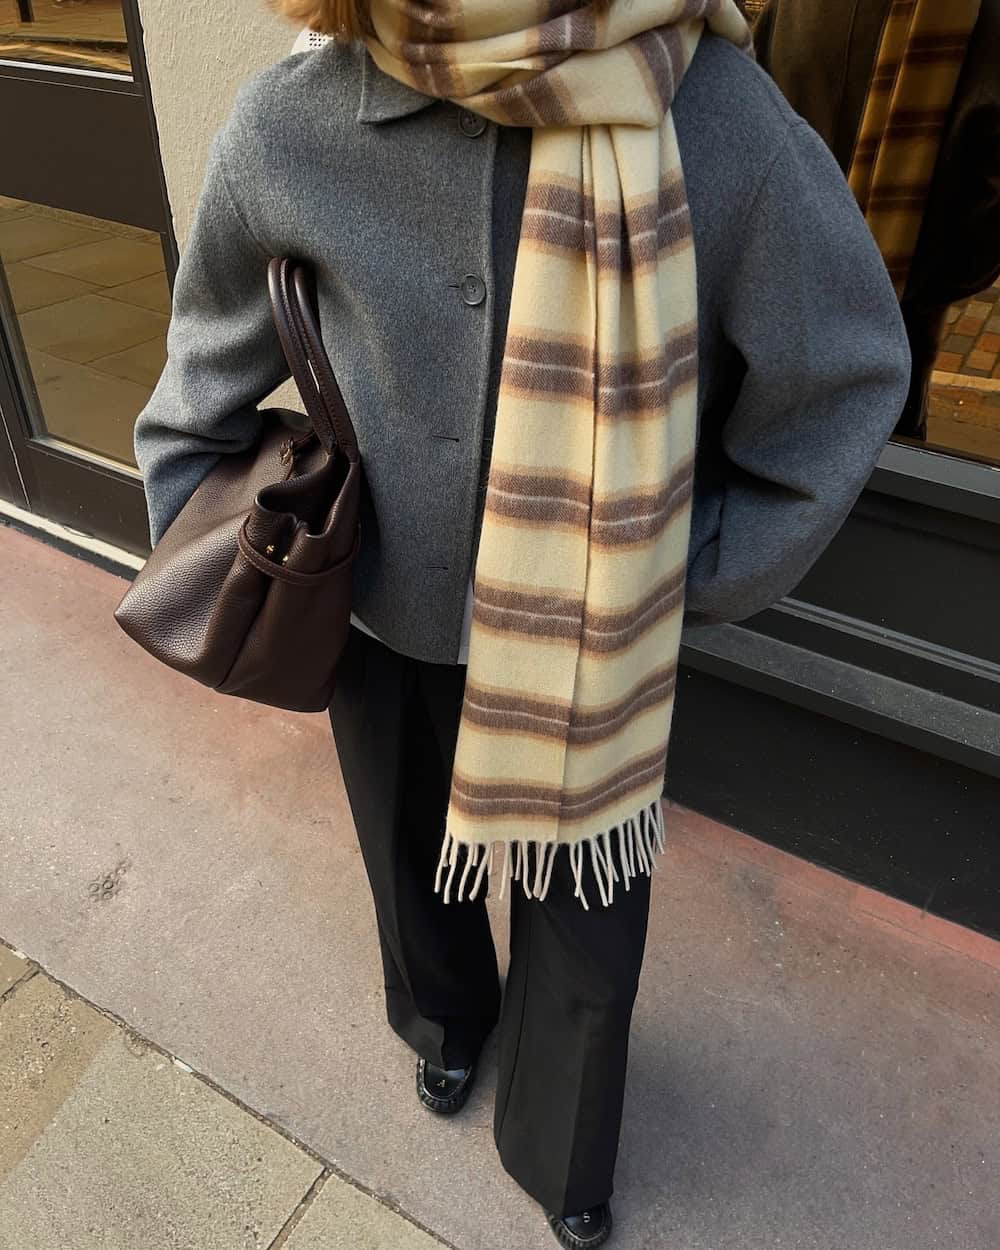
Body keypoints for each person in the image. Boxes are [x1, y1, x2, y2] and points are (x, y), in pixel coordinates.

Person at [133, 2, 909, 1245]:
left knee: (587, 915)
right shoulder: (297, 117)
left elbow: (843, 374)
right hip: (381, 604)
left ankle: (565, 1146)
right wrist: (221, 542)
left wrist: (699, 569)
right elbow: (202, 367)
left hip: (596, 639)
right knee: (402, 842)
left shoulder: (710, 113)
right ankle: (441, 1020)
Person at [754, 0, 1000, 440]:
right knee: (879, 467)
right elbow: (986, 222)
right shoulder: (977, 16)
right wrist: (910, 286)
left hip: (774, 319)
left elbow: (746, 135)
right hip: (892, 347)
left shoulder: (792, 9)